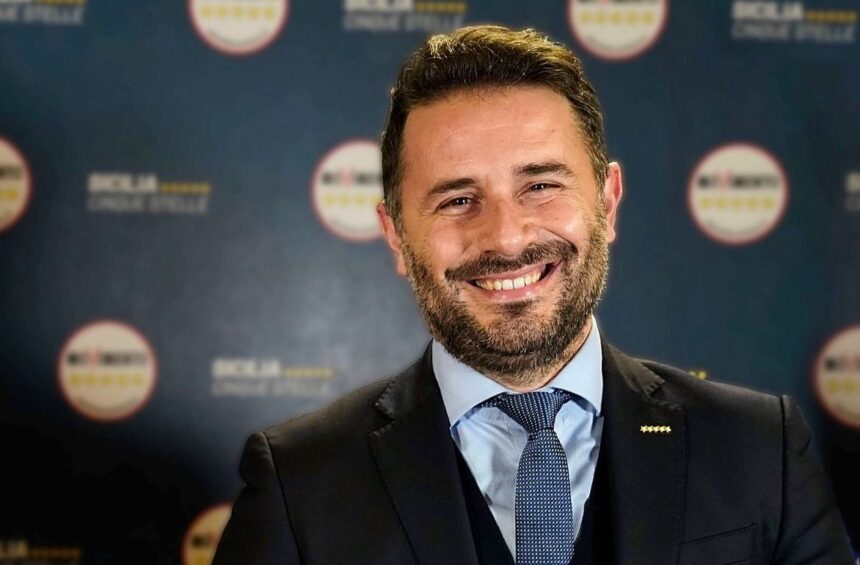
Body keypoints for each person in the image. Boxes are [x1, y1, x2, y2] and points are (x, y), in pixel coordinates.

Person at [213, 25, 853, 565]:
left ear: (607, 202)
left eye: (541, 186)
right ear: (396, 235)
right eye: (457, 200)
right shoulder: (299, 482)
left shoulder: (757, 448)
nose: (506, 236)